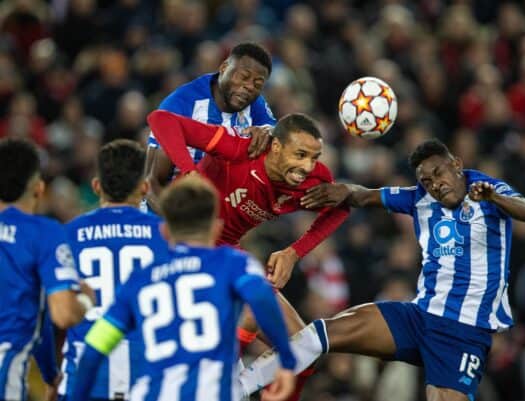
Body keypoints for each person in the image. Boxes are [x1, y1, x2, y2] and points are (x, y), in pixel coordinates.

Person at [238, 139, 525, 401]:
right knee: (321, 333)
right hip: (419, 317)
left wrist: (493, 197)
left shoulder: (485, 189)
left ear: (456, 164)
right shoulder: (419, 199)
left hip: (463, 333)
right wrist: (342, 190)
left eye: (439, 173)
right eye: (427, 181)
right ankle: (237, 388)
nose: (435, 184)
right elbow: (365, 195)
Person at [147, 109, 350, 400]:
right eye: (300, 154)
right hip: (184, 245)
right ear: (276, 147)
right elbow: (161, 120)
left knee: (305, 350)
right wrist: (190, 174)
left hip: (226, 252)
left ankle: (234, 388)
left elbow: (340, 209)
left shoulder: (313, 180)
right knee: (251, 312)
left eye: (314, 157)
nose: (307, 166)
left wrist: (294, 253)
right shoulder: (239, 148)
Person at [70, 175, 297, 401]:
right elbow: (262, 299)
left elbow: (95, 346)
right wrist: (286, 361)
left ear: (165, 232)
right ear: (217, 228)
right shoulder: (234, 263)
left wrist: (77, 396)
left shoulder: (139, 280)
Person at [59, 139, 170, 400]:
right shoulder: (167, 236)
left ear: (97, 186)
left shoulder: (68, 235)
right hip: (149, 369)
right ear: (144, 187)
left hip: (88, 370)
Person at [0, 138, 95, 400]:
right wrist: (86, 300)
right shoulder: (43, 233)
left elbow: (38, 317)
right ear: (38, 188)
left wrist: (50, 373)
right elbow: (62, 314)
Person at [144, 42, 275, 212]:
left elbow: (277, 131)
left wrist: (268, 131)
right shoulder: (181, 104)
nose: (249, 87)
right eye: (243, 77)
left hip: (218, 210)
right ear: (224, 67)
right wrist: (178, 225)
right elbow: (150, 181)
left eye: (258, 84)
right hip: (171, 209)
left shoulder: (255, 103)